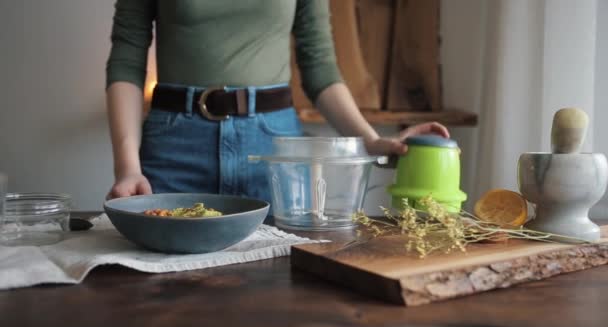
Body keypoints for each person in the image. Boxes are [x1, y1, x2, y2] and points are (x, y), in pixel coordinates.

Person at [105, 0, 449, 204]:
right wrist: (127, 168)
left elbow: (319, 67)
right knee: (162, 303)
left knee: (281, 294)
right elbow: (126, 59)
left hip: (275, 150)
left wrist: (370, 140)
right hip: (175, 148)